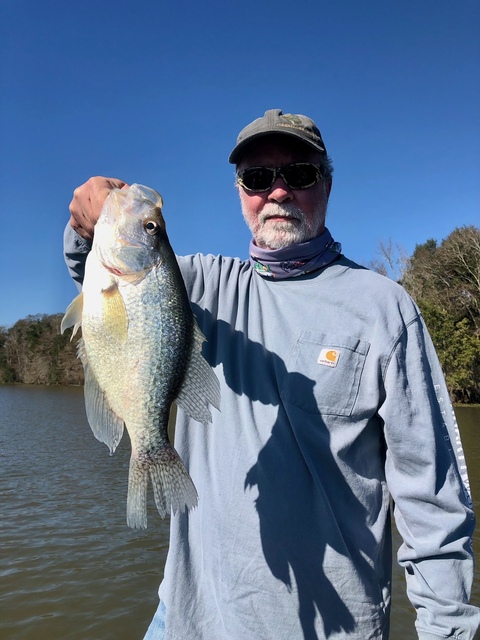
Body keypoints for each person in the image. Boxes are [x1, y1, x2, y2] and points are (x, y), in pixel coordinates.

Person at [64, 109, 480, 640]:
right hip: (186, 618)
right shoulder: (198, 284)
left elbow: (433, 495)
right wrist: (85, 220)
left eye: (300, 174)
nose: (278, 191)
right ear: (241, 193)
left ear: (327, 184)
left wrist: (447, 629)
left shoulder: (384, 309)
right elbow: (99, 280)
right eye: (259, 178)